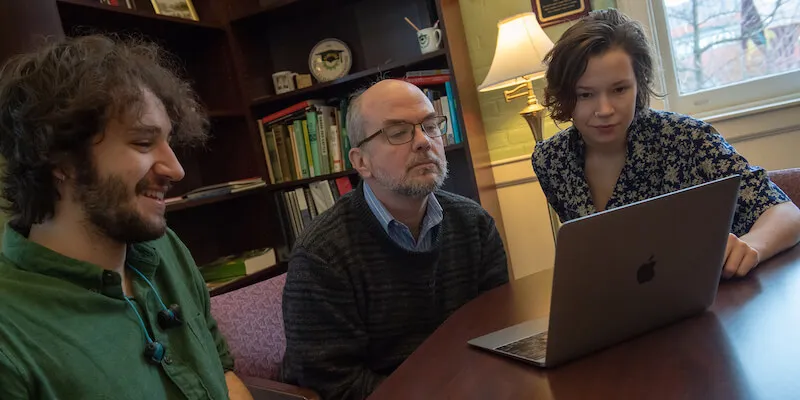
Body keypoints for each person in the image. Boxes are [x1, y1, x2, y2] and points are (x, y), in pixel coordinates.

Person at [0, 35, 252, 399]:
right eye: (143, 142)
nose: (177, 169)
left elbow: (223, 372)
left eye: (169, 141)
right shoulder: (11, 339)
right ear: (61, 159)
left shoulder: (165, 248)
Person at [281, 79, 509, 400]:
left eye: (430, 126)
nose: (423, 142)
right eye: (398, 132)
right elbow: (333, 384)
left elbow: (498, 328)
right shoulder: (322, 254)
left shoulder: (474, 223)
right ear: (361, 162)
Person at [532, 9, 800, 279]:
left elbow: (787, 213)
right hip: (619, 306)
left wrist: (753, 245)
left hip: (712, 300)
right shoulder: (550, 160)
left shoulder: (688, 139)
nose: (604, 109)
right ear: (565, 95)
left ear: (639, 85)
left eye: (619, 89)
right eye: (586, 94)